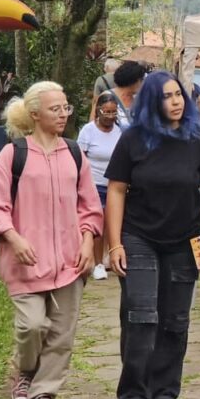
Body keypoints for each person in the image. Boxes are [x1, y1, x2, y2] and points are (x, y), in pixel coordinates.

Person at [104, 70, 200, 399]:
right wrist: (114, 244)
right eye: (166, 97)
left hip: (185, 240)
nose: (175, 102)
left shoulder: (199, 137)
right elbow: (116, 190)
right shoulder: (133, 139)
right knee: (141, 316)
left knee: (175, 320)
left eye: (178, 95)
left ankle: (164, 392)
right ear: (151, 103)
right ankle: (134, 395)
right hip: (138, 235)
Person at [0, 81, 103, 399]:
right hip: (26, 262)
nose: (63, 114)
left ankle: (43, 398)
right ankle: (27, 371)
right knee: (32, 325)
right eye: (55, 109)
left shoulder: (74, 153)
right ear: (35, 114)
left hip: (69, 262)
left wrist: (87, 242)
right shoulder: (13, 154)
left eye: (66, 108)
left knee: (62, 336)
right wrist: (13, 238)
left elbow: (89, 206)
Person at [77, 91, 122, 280]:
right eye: (106, 112)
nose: (110, 116)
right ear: (98, 111)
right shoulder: (88, 131)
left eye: (113, 112)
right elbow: (80, 158)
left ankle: (109, 256)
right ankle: (97, 264)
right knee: (97, 224)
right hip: (93, 184)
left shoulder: (120, 132)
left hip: (114, 185)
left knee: (111, 223)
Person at [107, 60, 147, 129]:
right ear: (132, 80)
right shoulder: (107, 97)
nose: (142, 83)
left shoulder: (138, 98)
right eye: (141, 80)